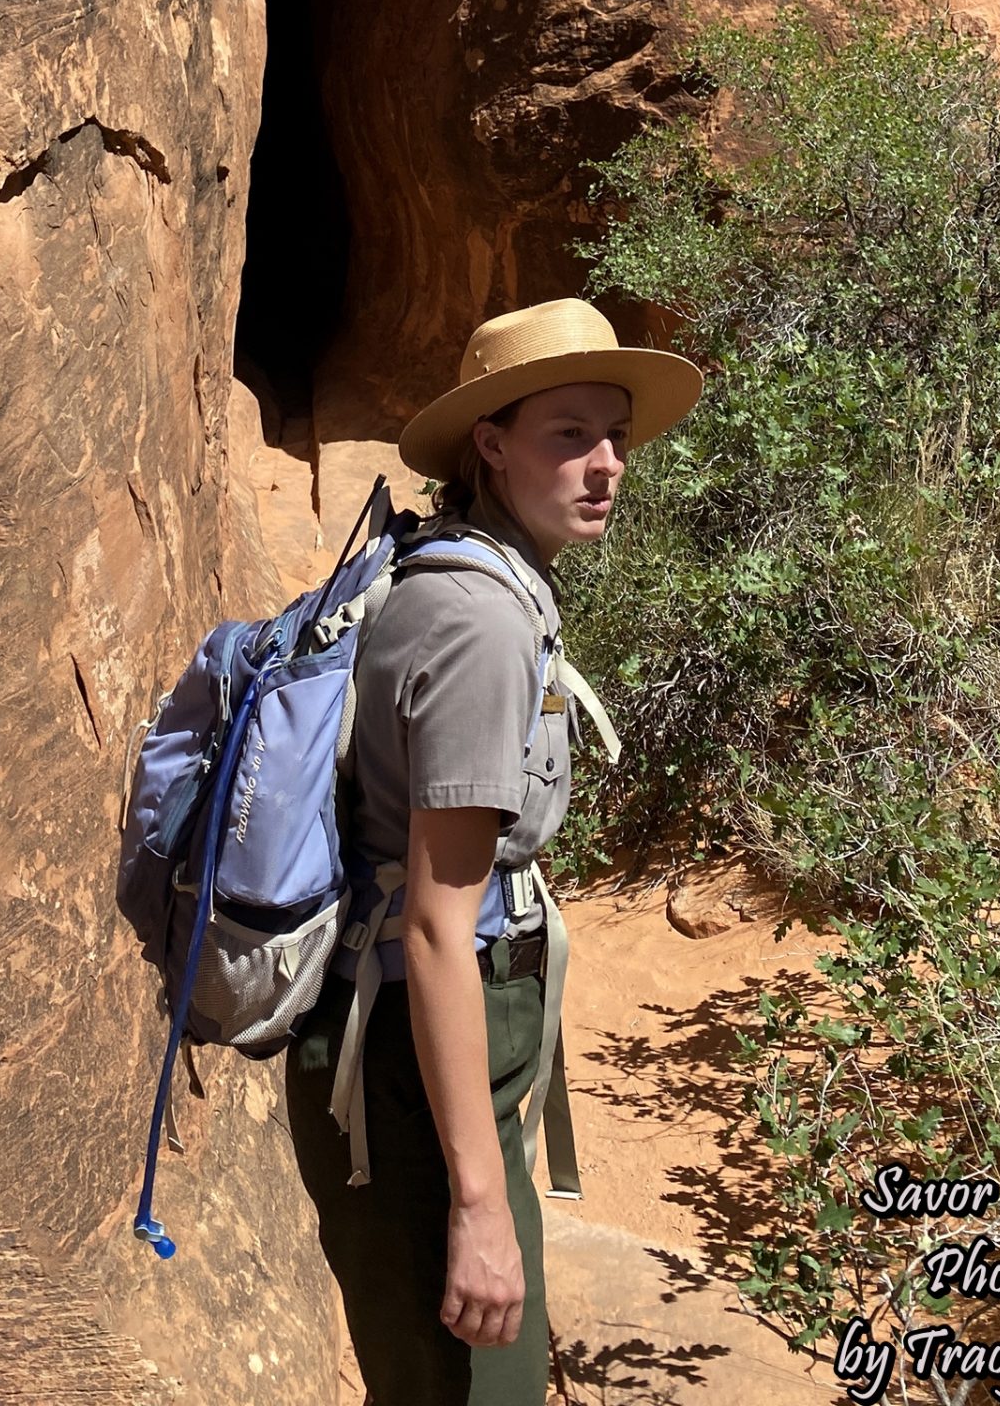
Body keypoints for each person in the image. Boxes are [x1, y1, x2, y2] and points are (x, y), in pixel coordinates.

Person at [285, 297, 703, 1404]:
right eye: (569, 433)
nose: (608, 464)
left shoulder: (468, 572)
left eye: (616, 435)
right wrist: (477, 1203)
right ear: (493, 444)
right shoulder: (481, 623)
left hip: (425, 1073)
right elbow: (434, 927)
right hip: (409, 1092)